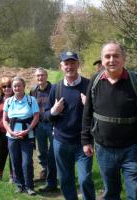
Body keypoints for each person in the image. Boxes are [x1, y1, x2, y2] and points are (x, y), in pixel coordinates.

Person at [82, 41, 137, 200]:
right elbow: (87, 113)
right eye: (107, 56)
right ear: (102, 60)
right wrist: (86, 140)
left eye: (116, 56)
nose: (111, 60)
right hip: (104, 149)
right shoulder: (95, 81)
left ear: (124, 59)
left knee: (135, 193)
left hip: (132, 149)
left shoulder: (136, 81)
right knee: (111, 192)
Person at [44, 51, 95, 200]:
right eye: (66, 63)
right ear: (61, 66)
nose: (70, 66)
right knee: (66, 180)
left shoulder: (89, 85)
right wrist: (54, 111)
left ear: (78, 64)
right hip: (61, 142)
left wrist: (89, 106)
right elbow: (45, 115)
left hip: (83, 142)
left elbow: (100, 111)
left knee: (85, 179)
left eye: (73, 63)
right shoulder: (56, 88)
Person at [3, 76, 39, 196]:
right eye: (14, 86)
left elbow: (36, 117)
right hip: (12, 136)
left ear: (24, 86)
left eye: (19, 85)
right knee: (15, 161)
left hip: (27, 135)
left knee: (27, 162)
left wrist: (28, 130)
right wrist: (11, 132)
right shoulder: (8, 101)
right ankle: (20, 185)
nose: (17, 88)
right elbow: (5, 119)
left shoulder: (31, 100)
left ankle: (29, 186)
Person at [30, 67, 57, 191]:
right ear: (36, 78)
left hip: (52, 124)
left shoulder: (54, 89)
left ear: (46, 76)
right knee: (42, 150)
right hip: (39, 125)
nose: (40, 78)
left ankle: (56, 175)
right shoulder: (33, 90)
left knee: (55, 150)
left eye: (42, 75)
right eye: (38, 76)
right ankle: (45, 172)